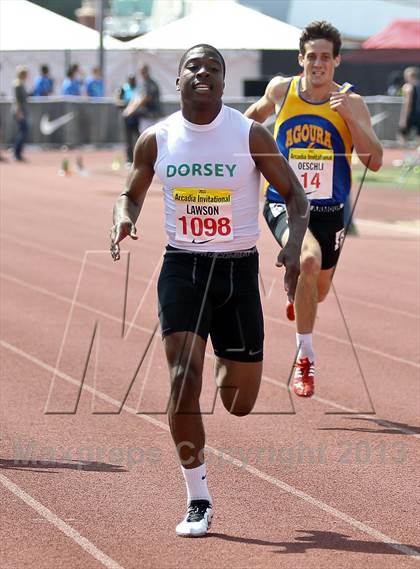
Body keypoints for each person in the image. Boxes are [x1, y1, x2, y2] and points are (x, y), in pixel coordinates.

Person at [110, 44, 308, 537]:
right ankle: (198, 497)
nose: (203, 73)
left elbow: (295, 197)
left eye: (213, 68)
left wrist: (291, 245)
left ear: (223, 82)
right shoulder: (156, 139)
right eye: (193, 67)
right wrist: (123, 218)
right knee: (182, 379)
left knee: (238, 401)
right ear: (177, 80)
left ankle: (223, 354)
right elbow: (130, 192)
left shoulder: (249, 134)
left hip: (239, 272)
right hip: (183, 267)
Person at [245, 21, 382, 398]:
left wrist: (351, 119)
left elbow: (375, 162)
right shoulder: (282, 90)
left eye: (325, 57)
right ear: (300, 59)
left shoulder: (351, 102)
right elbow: (247, 121)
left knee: (318, 292)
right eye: (311, 57)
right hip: (286, 200)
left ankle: (298, 294)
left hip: (330, 211)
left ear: (337, 60)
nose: (317, 64)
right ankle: (305, 360)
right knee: (307, 260)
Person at [116, 74, 141, 165]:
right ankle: (129, 160)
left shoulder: (139, 88)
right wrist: (128, 104)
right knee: (128, 139)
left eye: (134, 80)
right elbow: (117, 101)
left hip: (137, 118)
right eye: (131, 80)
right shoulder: (124, 88)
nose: (133, 81)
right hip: (127, 118)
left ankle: (139, 158)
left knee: (139, 138)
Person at [12, 65, 30, 162]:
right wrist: (19, 112)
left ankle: (18, 152)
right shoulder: (18, 85)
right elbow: (18, 100)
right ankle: (16, 152)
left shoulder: (21, 84)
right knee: (23, 131)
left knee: (23, 131)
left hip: (22, 110)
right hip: (19, 111)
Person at [398, 66, 420, 145]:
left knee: (402, 136)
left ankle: (404, 155)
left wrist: (403, 119)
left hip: (411, 115)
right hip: (418, 115)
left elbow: (407, 103)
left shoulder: (408, 87)